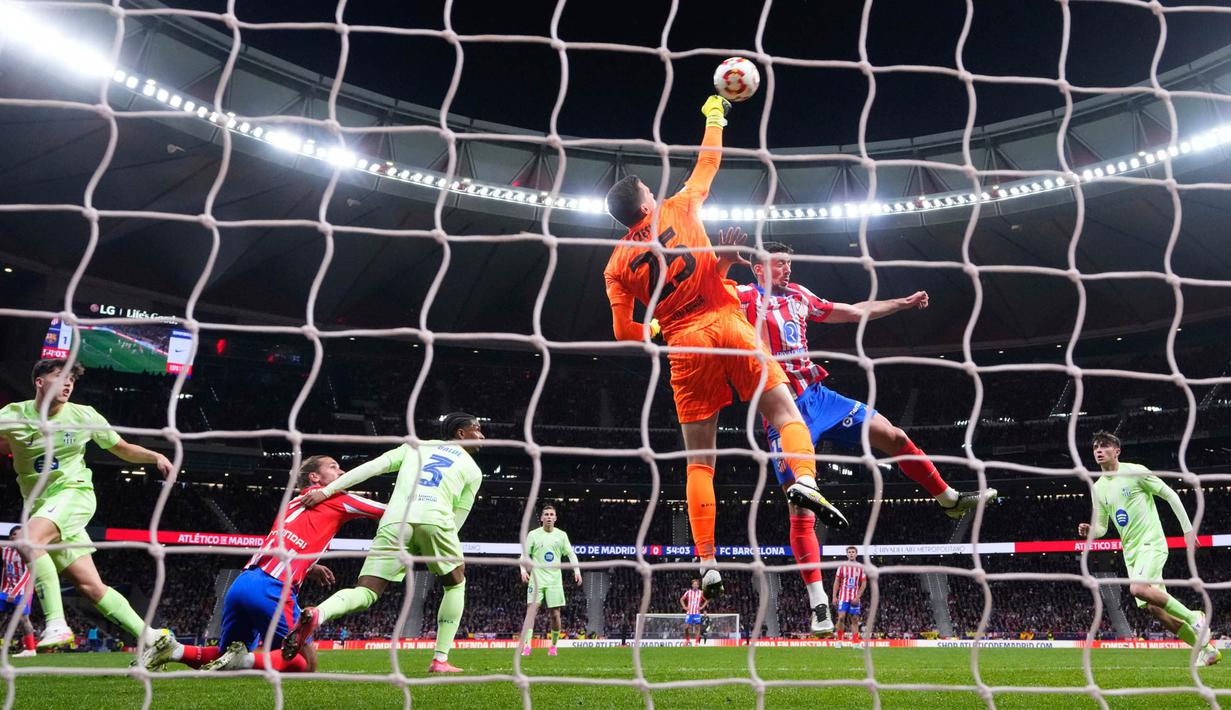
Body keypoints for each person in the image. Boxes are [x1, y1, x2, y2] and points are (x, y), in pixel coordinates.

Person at [603, 96, 846, 601]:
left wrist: (658, 330)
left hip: (684, 343)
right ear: (646, 204)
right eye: (649, 189)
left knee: (700, 461)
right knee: (786, 417)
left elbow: (623, 332)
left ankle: (708, 561)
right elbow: (708, 161)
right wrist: (714, 114)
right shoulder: (679, 207)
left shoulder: (616, 265)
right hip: (729, 322)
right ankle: (804, 478)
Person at [727, 239, 998, 634]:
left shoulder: (801, 296)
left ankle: (950, 499)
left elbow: (853, 312)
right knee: (800, 508)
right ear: (759, 268)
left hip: (820, 397)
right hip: (781, 408)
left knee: (893, 434)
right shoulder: (743, 297)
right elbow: (704, 296)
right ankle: (819, 604)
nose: (788, 270)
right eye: (781, 264)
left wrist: (900, 304)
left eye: (789, 263)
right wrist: (721, 258)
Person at [140, 455, 385, 672]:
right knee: (305, 663)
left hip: (242, 583)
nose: (341, 473)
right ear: (314, 477)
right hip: (273, 587)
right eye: (334, 467)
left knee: (225, 654)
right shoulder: (337, 498)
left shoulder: (292, 504)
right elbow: (388, 511)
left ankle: (176, 651)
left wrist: (310, 567)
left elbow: (286, 542)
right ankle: (244, 662)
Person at [282, 413, 485, 674]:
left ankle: (318, 613)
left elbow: (371, 468)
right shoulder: (473, 470)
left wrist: (326, 491)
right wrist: (437, 550)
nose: (482, 436)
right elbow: (459, 517)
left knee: (366, 591)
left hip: (395, 520)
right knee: (456, 583)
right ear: (460, 433)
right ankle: (440, 660)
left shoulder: (415, 446)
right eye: (477, 429)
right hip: (436, 519)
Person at [0, 358, 173, 651]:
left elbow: (122, 448)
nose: (68, 383)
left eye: (72, 379)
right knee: (91, 587)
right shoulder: (13, 416)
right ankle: (153, 637)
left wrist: (154, 456)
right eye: (60, 376)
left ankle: (56, 623)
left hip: (74, 493)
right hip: (41, 506)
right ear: (39, 382)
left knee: (29, 540)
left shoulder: (83, 415)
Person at [1078, 431, 1219, 667]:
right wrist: (1090, 530)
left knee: (1138, 588)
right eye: (1095, 447)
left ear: (1117, 451)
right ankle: (1206, 650)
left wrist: (1187, 529)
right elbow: (1103, 527)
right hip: (1131, 553)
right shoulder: (1098, 487)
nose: (1098, 450)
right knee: (1156, 610)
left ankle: (1195, 617)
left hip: (1151, 543)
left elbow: (1170, 494)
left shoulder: (1135, 471)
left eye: (1104, 446)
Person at [518, 504, 581, 657]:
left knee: (555, 615)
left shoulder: (561, 535)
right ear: (541, 518)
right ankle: (527, 646)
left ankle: (553, 646)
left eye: (551, 514)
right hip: (536, 579)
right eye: (546, 514)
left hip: (554, 581)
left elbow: (571, 554)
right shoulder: (533, 535)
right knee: (531, 612)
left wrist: (577, 570)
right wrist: (523, 570)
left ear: (555, 518)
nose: (549, 517)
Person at [1, 526, 37, 657]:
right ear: (10, 537)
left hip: (23, 590)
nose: (18, 537)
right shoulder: (5, 550)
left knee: (23, 619)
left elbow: (28, 573)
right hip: (5, 589)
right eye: (15, 534)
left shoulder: (28, 551)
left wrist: (15, 591)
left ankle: (31, 649)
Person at [832, 546, 866, 648]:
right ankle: (839, 641)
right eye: (849, 552)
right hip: (843, 596)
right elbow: (837, 581)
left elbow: (863, 583)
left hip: (854, 597)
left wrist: (858, 597)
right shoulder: (842, 566)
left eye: (853, 552)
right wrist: (834, 596)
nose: (851, 553)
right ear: (847, 554)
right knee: (841, 617)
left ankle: (855, 643)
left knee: (855, 619)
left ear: (856, 554)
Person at [678, 579, 707, 647]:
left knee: (697, 627)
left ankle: (696, 643)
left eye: (696, 584)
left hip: (697, 613)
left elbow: (707, 600)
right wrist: (684, 607)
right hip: (689, 613)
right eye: (694, 584)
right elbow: (681, 599)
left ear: (698, 585)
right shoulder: (688, 592)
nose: (695, 585)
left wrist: (702, 607)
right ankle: (687, 640)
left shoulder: (701, 592)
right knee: (686, 627)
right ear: (692, 585)